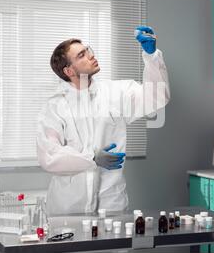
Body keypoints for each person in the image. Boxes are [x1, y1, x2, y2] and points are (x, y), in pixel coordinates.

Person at [36, 26, 170, 216]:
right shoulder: (55, 107)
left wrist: (152, 56)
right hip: (67, 209)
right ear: (69, 70)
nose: (90, 55)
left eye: (88, 50)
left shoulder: (116, 93)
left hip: (111, 205)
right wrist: (92, 158)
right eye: (81, 55)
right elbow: (49, 156)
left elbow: (156, 97)